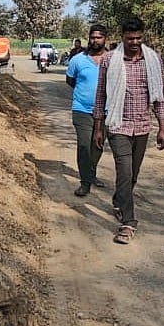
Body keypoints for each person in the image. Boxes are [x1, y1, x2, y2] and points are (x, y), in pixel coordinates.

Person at [93, 17, 164, 245]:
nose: (134, 42)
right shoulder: (109, 60)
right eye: (130, 38)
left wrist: (162, 128)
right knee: (124, 173)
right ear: (122, 37)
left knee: (133, 174)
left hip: (143, 126)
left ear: (142, 37)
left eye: (138, 38)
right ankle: (128, 222)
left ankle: (119, 199)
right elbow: (100, 96)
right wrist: (98, 127)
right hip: (118, 125)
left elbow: (160, 97)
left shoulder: (153, 60)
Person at [65, 25, 108, 197]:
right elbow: (70, 80)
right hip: (81, 109)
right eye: (92, 37)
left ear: (105, 38)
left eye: (99, 37)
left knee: (97, 145)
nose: (95, 40)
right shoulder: (78, 60)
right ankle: (85, 183)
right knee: (84, 145)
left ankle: (91, 173)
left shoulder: (112, 59)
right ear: (88, 38)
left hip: (106, 110)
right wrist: (84, 94)